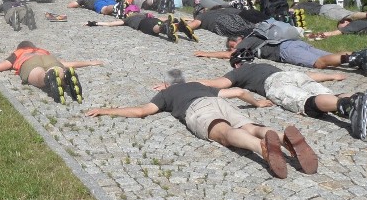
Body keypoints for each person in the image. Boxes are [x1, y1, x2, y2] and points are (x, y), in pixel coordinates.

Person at [85, 75, 318, 179]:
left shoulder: (165, 94)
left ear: (166, 85)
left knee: (226, 133)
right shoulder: (199, 84)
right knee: (250, 125)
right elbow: (237, 92)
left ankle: (263, 148)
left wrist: (107, 110)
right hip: (218, 101)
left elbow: (141, 112)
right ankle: (281, 137)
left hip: (197, 110)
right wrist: (257, 103)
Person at [196, 61, 367, 140]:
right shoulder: (264, 64)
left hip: (276, 84)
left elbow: (219, 84)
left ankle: (347, 106)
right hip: (294, 75)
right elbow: (309, 77)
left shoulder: (239, 72)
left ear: (236, 65)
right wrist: (331, 75)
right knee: (327, 95)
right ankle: (363, 102)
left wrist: (187, 83)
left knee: (308, 103)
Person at [196, 33, 367, 76]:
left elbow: (228, 55)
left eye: (232, 45)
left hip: (285, 50)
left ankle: (358, 58)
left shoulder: (247, 39)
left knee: (319, 63)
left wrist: (205, 53)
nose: (233, 49)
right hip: (294, 41)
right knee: (330, 54)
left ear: (235, 41)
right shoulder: (259, 32)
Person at [0, 40, 104, 104]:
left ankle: (47, 78)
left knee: (37, 74)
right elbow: (67, 63)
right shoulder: (43, 50)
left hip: (28, 61)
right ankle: (65, 77)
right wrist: (90, 62)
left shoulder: (19, 53)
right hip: (49, 59)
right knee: (57, 68)